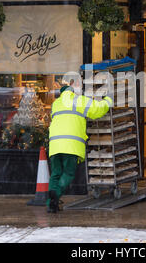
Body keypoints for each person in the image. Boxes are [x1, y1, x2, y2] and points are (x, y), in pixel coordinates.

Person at [47, 81, 113, 213]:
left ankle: (51, 204)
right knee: (68, 173)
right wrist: (108, 100)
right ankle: (56, 193)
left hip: (54, 145)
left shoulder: (55, 104)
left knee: (55, 174)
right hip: (70, 145)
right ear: (73, 92)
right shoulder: (79, 101)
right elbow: (97, 110)